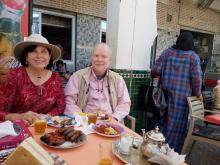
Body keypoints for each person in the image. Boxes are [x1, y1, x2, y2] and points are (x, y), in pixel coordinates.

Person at [151, 32, 202, 153]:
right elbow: (197, 79)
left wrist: (164, 77)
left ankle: (155, 150)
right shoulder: (193, 57)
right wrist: (198, 94)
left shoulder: (167, 53)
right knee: (176, 128)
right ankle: (170, 154)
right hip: (181, 100)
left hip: (163, 97)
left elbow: (154, 71)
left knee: (161, 123)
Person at [0, 34, 65, 125]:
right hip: (16, 131)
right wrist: (19, 117)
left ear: (49, 56)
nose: (39, 56)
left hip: (45, 129)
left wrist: (47, 117)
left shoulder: (55, 78)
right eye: (34, 51)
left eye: (43, 51)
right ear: (26, 56)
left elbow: (60, 106)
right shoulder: (14, 76)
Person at [64, 43, 131, 121]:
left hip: (111, 124)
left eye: (104, 56)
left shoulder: (118, 79)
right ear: (92, 58)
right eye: (96, 56)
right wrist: (82, 118)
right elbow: (68, 102)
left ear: (109, 60)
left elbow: (124, 103)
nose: (99, 59)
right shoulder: (77, 77)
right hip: (84, 123)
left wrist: (114, 118)